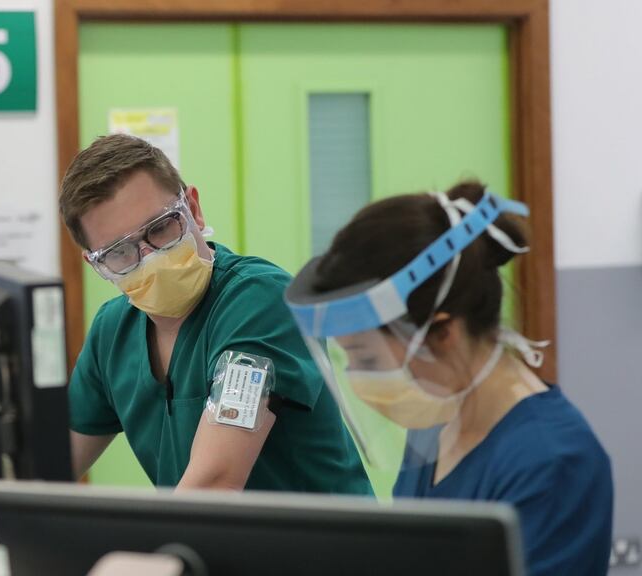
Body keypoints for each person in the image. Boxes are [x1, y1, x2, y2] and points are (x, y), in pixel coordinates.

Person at [285, 181, 613, 575]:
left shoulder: (553, 461)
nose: (358, 379)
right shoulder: (435, 420)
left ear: (442, 333)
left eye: (369, 359)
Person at [60, 134, 371, 493]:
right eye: (119, 252)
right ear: (97, 265)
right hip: (209, 543)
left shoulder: (260, 301)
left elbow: (215, 480)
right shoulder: (112, 332)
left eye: (161, 228)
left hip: (323, 547)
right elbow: (47, 469)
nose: (151, 257)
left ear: (193, 208)